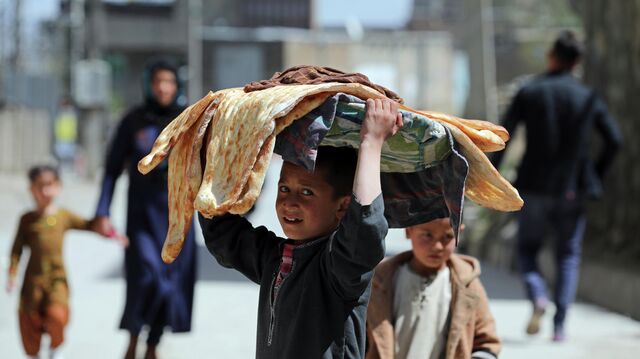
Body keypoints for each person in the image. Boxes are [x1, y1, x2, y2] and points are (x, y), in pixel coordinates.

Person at [200, 98, 403, 358]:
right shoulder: (275, 258)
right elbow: (222, 234)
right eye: (284, 188)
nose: (289, 202)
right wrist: (218, 152)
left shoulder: (339, 268)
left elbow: (364, 227)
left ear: (342, 207)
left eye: (306, 192)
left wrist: (371, 143)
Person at [491, 30, 622, 341]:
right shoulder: (588, 97)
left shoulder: (530, 92)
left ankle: (538, 295)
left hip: (533, 187)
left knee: (526, 249)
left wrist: (493, 178)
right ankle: (560, 326)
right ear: (577, 62)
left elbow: (501, 136)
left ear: (552, 56)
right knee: (567, 255)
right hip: (573, 189)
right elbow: (614, 140)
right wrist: (594, 177)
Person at [93, 59, 196, 359]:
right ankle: (134, 336)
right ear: (149, 85)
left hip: (179, 217)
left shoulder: (189, 119)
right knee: (146, 277)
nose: (163, 87)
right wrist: (102, 212)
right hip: (141, 217)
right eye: (158, 81)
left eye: (169, 82)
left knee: (170, 284)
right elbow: (112, 170)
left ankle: (153, 342)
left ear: (177, 86)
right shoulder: (133, 121)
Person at [7, 165, 126, 359]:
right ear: (31, 189)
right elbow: (16, 250)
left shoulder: (63, 216)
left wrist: (110, 233)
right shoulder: (26, 220)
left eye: (50, 185)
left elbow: (88, 225)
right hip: (32, 284)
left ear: (58, 187)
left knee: (57, 316)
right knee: (29, 322)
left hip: (57, 281)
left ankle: (56, 347)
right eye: (40, 186)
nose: (45, 191)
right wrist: (12, 274)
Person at [366, 218, 501, 359]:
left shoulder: (467, 285)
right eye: (427, 235)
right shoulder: (381, 281)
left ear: (458, 234)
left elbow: (487, 342)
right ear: (408, 231)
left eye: (448, 236)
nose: (437, 246)